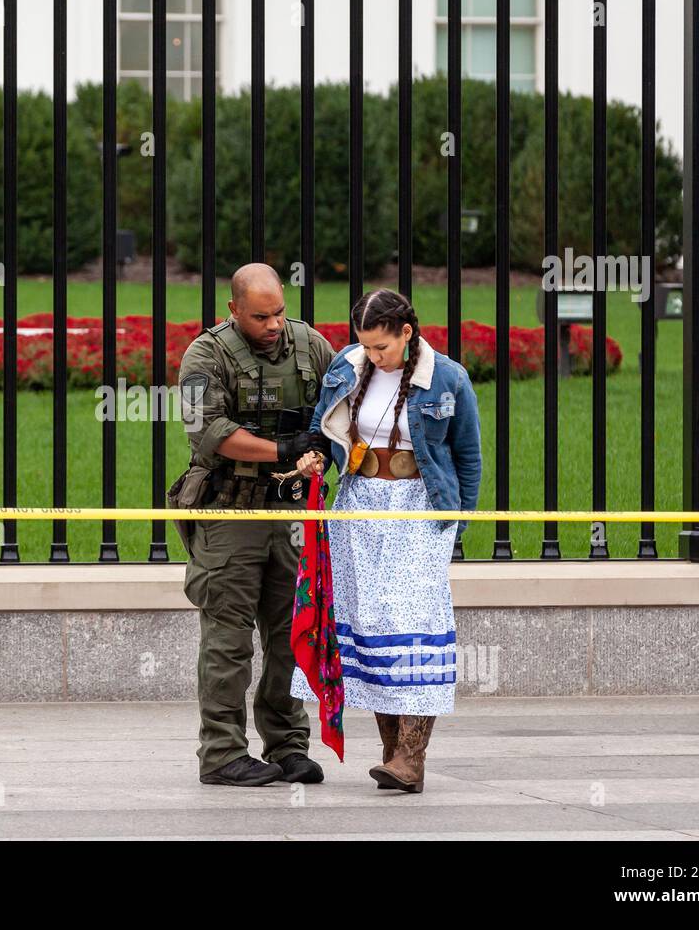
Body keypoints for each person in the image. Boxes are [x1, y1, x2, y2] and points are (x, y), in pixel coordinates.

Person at [292, 288, 482, 793]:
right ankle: (393, 754)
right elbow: (320, 427)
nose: (373, 356)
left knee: (414, 617)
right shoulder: (347, 367)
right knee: (372, 619)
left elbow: (468, 456)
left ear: (406, 332)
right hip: (359, 504)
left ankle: (413, 756)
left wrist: (456, 522)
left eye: (382, 347)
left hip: (419, 506)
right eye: (366, 346)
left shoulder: (447, 378)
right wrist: (315, 454)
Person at [168, 263, 336, 786]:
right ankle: (222, 754)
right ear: (233, 310)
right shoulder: (206, 353)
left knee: (291, 635)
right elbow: (208, 431)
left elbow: (340, 408)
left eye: (279, 312)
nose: (273, 325)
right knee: (229, 638)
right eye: (260, 316)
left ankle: (288, 745)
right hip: (232, 512)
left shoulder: (311, 347)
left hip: (290, 512)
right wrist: (281, 449)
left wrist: (320, 451)